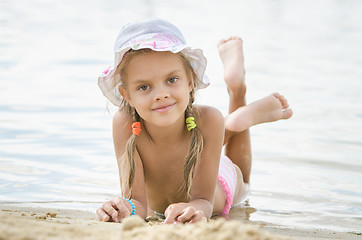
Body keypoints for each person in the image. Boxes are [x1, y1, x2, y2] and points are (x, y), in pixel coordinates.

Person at [96, 19, 293, 224]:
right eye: (144, 87)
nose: (161, 94)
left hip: (213, 180)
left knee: (243, 180)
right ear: (125, 94)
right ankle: (232, 122)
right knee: (210, 131)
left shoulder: (208, 119)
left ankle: (237, 93)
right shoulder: (124, 123)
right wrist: (123, 208)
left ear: (190, 80)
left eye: (172, 80)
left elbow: (204, 201)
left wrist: (192, 208)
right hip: (203, 145)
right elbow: (136, 202)